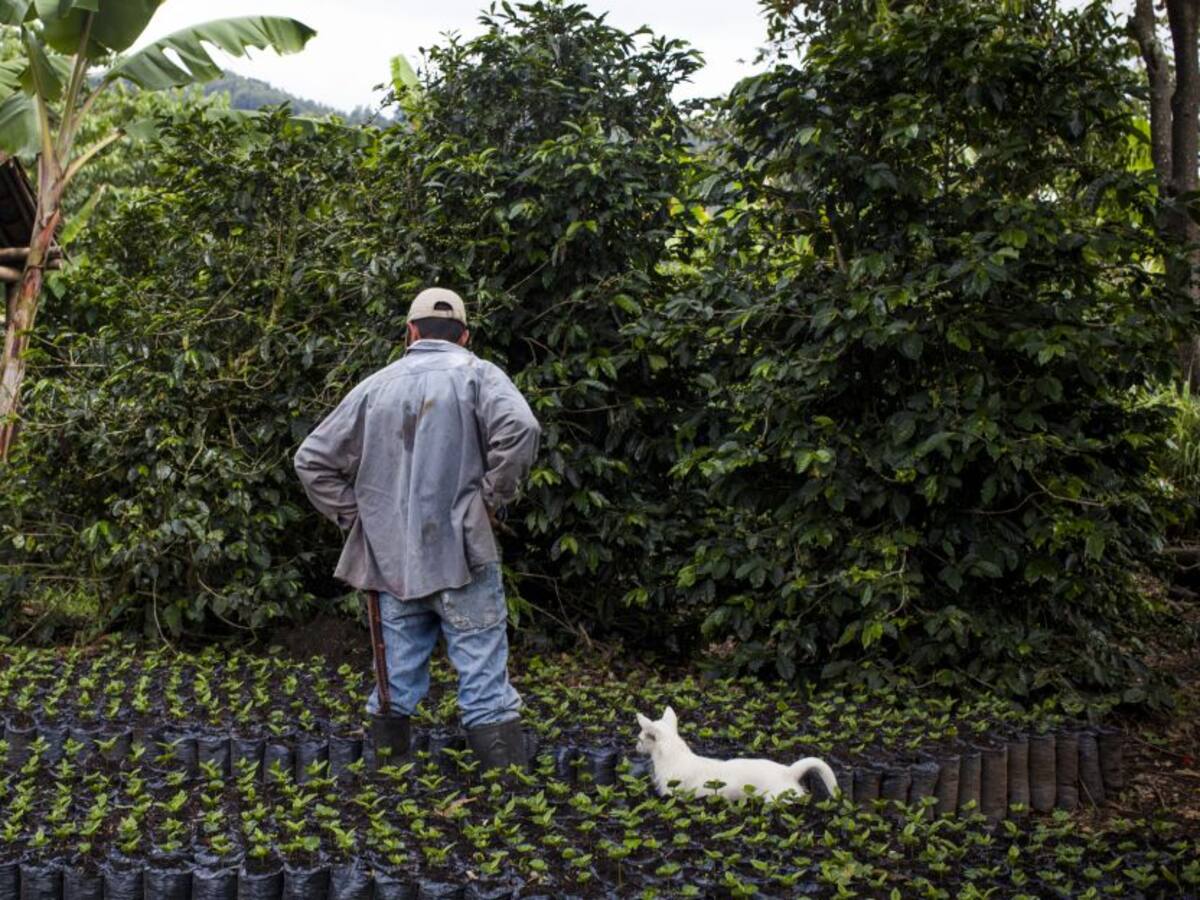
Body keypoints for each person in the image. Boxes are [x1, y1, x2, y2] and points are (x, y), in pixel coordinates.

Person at [294, 287, 541, 769]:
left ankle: (384, 800)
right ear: (465, 336)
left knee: (394, 685)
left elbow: (311, 460)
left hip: (391, 563)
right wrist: (491, 497)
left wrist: (359, 519)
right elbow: (522, 428)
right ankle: (506, 807)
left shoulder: (375, 386)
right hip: (463, 556)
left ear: (410, 333)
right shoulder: (478, 375)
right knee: (485, 686)